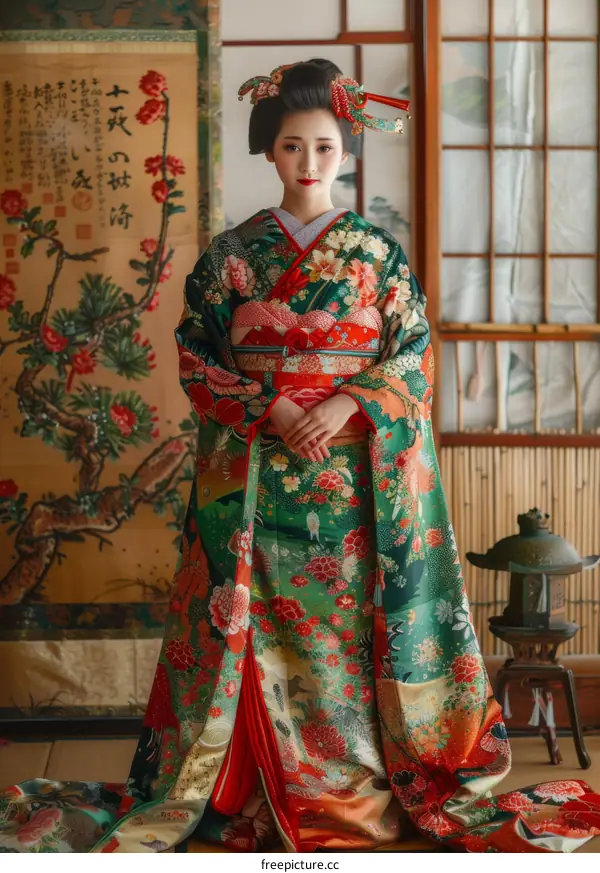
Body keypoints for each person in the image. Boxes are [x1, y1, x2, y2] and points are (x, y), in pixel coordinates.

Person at [1, 58, 598, 854]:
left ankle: (345, 785)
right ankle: (245, 783)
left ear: (344, 150)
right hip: (257, 477)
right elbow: (196, 357)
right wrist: (275, 407)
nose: (308, 162)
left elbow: (413, 354)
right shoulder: (231, 256)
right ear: (271, 152)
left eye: (322, 146)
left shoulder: (376, 255)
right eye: (292, 146)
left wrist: (346, 402)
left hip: (351, 485)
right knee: (247, 632)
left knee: (342, 640)